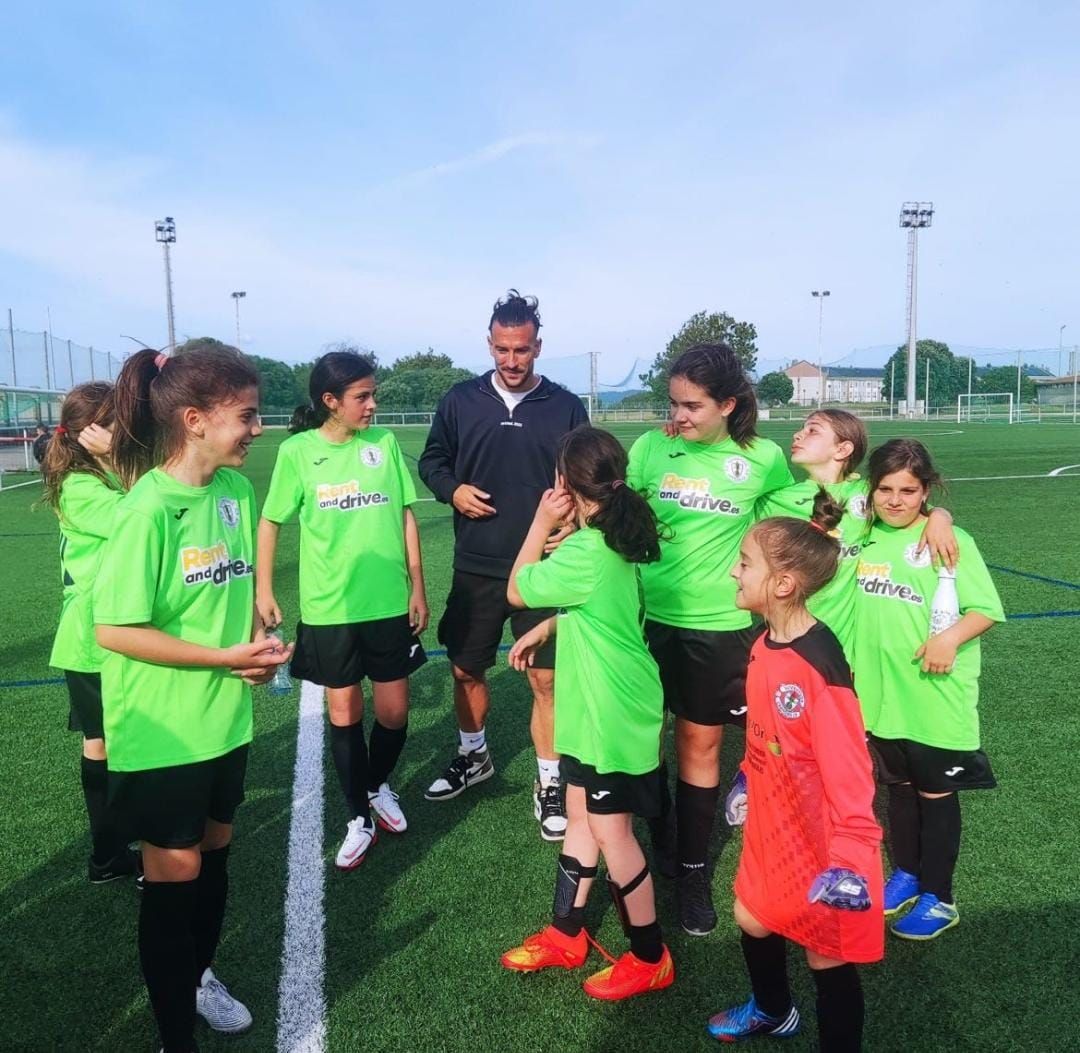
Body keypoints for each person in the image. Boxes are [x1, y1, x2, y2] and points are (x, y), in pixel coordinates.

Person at [95, 345, 291, 1053]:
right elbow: (113, 627)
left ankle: (198, 979)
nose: (257, 428)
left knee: (214, 868)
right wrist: (219, 657)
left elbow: (237, 598)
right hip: (165, 734)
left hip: (225, 723)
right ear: (195, 419)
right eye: (246, 415)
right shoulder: (147, 510)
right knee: (173, 881)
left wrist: (256, 652)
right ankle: (174, 1033)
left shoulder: (236, 495)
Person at [500, 426, 674, 1000]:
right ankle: (566, 933)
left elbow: (518, 589)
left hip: (612, 711)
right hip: (601, 703)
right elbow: (605, 606)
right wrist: (554, 627)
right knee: (579, 813)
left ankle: (651, 956)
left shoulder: (585, 547)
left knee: (611, 831)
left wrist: (540, 522)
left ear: (566, 484)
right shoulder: (616, 536)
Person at [626, 343, 793, 935]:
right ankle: (663, 834)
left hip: (717, 629)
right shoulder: (650, 448)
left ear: (728, 403)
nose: (680, 416)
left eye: (693, 406)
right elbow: (616, 516)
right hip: (640, 623)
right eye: (673, 403)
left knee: (698, 747)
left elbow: (809, 511)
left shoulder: (763, 458)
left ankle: (693, 873)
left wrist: (938, 517)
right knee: (644, 744)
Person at [706, 492, 883, 1050]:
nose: (734, 570)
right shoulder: (764, 644)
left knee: (824, 953)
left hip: (823, 837)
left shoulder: (817, 667)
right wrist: (745, 774)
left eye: (746, 563)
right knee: (752, 915)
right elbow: (764, 731)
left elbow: (852, 773)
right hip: (772, 817)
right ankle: (774, 1010)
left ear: (782, 584)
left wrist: (850, 861)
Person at [418, 290, 589, 841]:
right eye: (501, 349)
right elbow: (432, 460)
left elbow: (586, 474)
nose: (511, 361)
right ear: (489, 344)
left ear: (538, 346)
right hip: (477, 563)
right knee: (466, 668)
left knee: (547, 678)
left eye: (521, 350)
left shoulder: (565, 406)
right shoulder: (460, 400)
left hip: (545, 567)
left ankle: (550, 782)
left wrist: (576, 521)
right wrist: (452, 490)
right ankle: (474, 756)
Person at [257, 350, 428, 870]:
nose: (372, 405)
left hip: (387, 605)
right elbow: (271, 522)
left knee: (395, 711)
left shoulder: (384, 443)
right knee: (344, 710)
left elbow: (405, 517)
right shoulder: (296, 453)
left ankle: (377, 786)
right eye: (362, 397)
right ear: (330, 401)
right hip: (330, 608)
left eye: (373, 394)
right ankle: (358, 814)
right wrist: (264, 589)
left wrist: (417, 587)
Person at [852, 439, 1003, 941]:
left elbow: (985, 609)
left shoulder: (947, 538)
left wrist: (948, 638)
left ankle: (940, 897)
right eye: (886, 489)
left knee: (935, 794)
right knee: (897, 790)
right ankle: (909, 875)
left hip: (934, 694)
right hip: (879, 695)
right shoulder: (864, 536)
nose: (896, 500)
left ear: (926, 492)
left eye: (909, 491)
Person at [755, 409, 958, 660]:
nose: (798, 435)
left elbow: (908, 505)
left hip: (846, 648)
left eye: (812, 430)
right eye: (802, 429)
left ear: (842, 449)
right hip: (788, 641)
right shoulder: (775, 501)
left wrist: (940, 516)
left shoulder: (867, 493)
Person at [43, 382, 138, 883]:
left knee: (113, 745)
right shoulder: (82, 487)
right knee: (107, 746)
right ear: (95, 431)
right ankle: (109, 853)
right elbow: (144, 517)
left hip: (109, 634)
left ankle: (113, 852)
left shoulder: (102, 479)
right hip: (95, 639)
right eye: (120, 421)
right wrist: (121, 461)